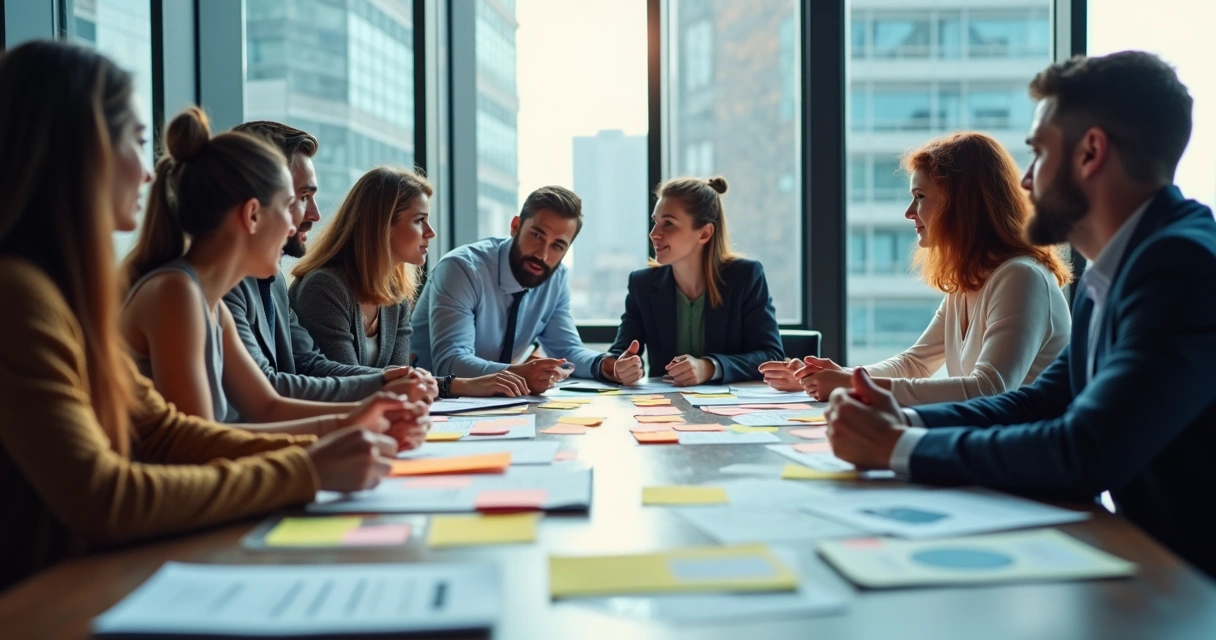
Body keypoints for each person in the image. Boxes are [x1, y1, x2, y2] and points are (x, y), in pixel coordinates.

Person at [0, 41, 415, 589]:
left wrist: (340, 437)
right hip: (46, 594)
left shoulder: (66, 295)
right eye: (135, 143)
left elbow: (170, 433)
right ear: (83, 149)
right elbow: (104, 497)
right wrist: (311, 466)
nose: (149, 177)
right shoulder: (20, 295)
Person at [823, 51, 1216, 578]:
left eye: (1038, 153)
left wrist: (899, 446)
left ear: (1090, 153)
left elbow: (1084, 450)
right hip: (1147, 569)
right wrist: (905, 420)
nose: (1026, 181)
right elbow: (1043, 400)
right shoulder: (1118, 267)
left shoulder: (1180, 264)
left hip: (1189, 587)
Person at [121, 106, 430, 433]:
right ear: (252, 214)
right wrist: (337, 438)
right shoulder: (177, 293)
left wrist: (364, 417)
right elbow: (199, 443)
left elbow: (267, 405)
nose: (300, 218)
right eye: (290, 204)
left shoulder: (209, 301)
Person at [761, 132, 1072, 405]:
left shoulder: (1021, 277)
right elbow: (914, 364)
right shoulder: (969, 280)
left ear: (961, 204)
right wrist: (831, 376)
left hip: (1021, 460)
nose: (909, 213)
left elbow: (989, 389)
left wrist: (853, 385)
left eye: (920, 197)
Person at [222, 122, 435, 415]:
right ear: (253, 206)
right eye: (299, 198)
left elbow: (308, 364)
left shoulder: (273, 283)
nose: (314, 214)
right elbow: (268, 392)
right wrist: (380, 389)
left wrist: (390, 381)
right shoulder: (217, 288)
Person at [290, 166, 531, 398]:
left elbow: (401, 381)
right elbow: (346, 383)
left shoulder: (396, 294)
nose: (431, 232)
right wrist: (459, 385)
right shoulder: (324, 287)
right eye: (419, 220)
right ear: (383, 226)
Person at [411, 186, 606, 394]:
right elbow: (451, 362)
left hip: (496, 403)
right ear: (515, 227)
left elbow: (567, 350)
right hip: (428, 402)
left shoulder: (555, 279)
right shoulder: (462, 269)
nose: (542, 255)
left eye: (557, 246)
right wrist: (519, 373)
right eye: (537, 235)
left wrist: (604, 365)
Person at [601, 176, 782, 386]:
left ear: (704, 233)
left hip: (731, 410)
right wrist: (621, 367)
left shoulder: (745, 276)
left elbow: (772, 355)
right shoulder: (642, 284)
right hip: (665, 410)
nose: (654, 234)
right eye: (655, 222)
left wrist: (710, 367)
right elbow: (620, 352)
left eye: (668, 223)